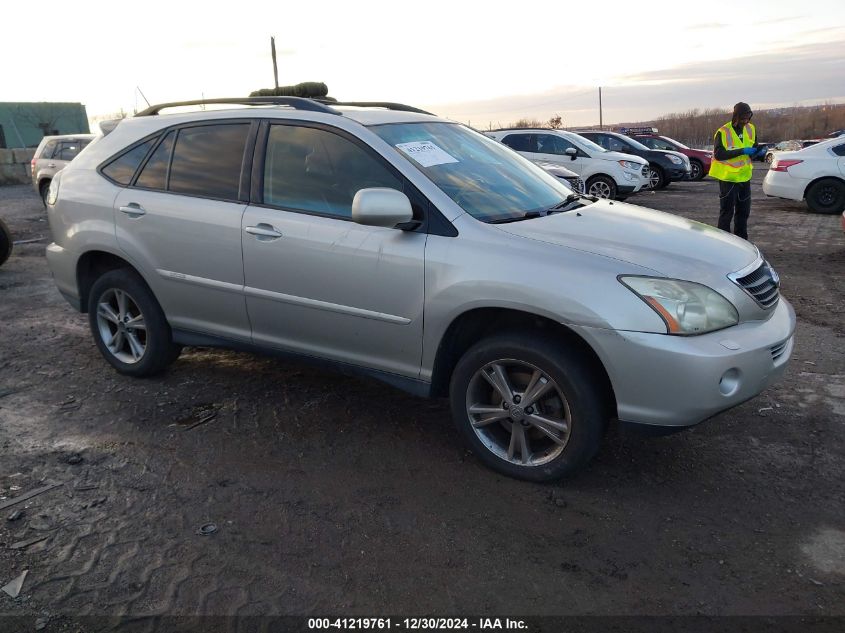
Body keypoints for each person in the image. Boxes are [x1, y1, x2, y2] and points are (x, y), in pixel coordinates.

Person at [709, 102, 761, 240]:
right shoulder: (723, 131)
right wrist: (742, 151)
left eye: (748, 118)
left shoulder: (751, 129)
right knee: (727, 213)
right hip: (729, 178)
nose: (746, 121)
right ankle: (724, 242)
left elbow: (753, 148)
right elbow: (719, 154)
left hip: (744, 177)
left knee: (743, 213)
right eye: (743, 118)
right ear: (736, 116)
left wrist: (758, 153)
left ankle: (742, 241)